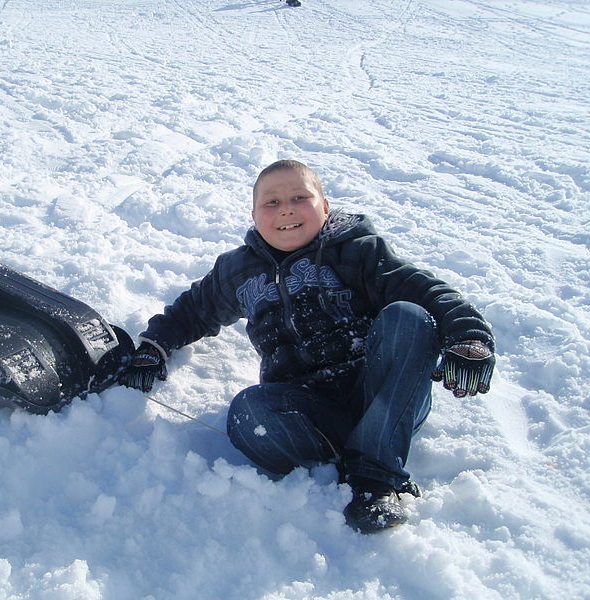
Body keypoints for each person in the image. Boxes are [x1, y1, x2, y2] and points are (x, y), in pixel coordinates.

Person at [119, 159, 495, 533]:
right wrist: (154, 347)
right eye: (271, 202)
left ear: (325, 207)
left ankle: (375, 480)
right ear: (253, 215)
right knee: (247, 412)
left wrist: (469, 336)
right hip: (305, 408)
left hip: (383, 392)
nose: (285, 208)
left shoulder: (358, 252)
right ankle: (356, 448)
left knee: (409, 316)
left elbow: (424, 290)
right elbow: (192, 311)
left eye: (300, 196)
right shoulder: (238, 270)